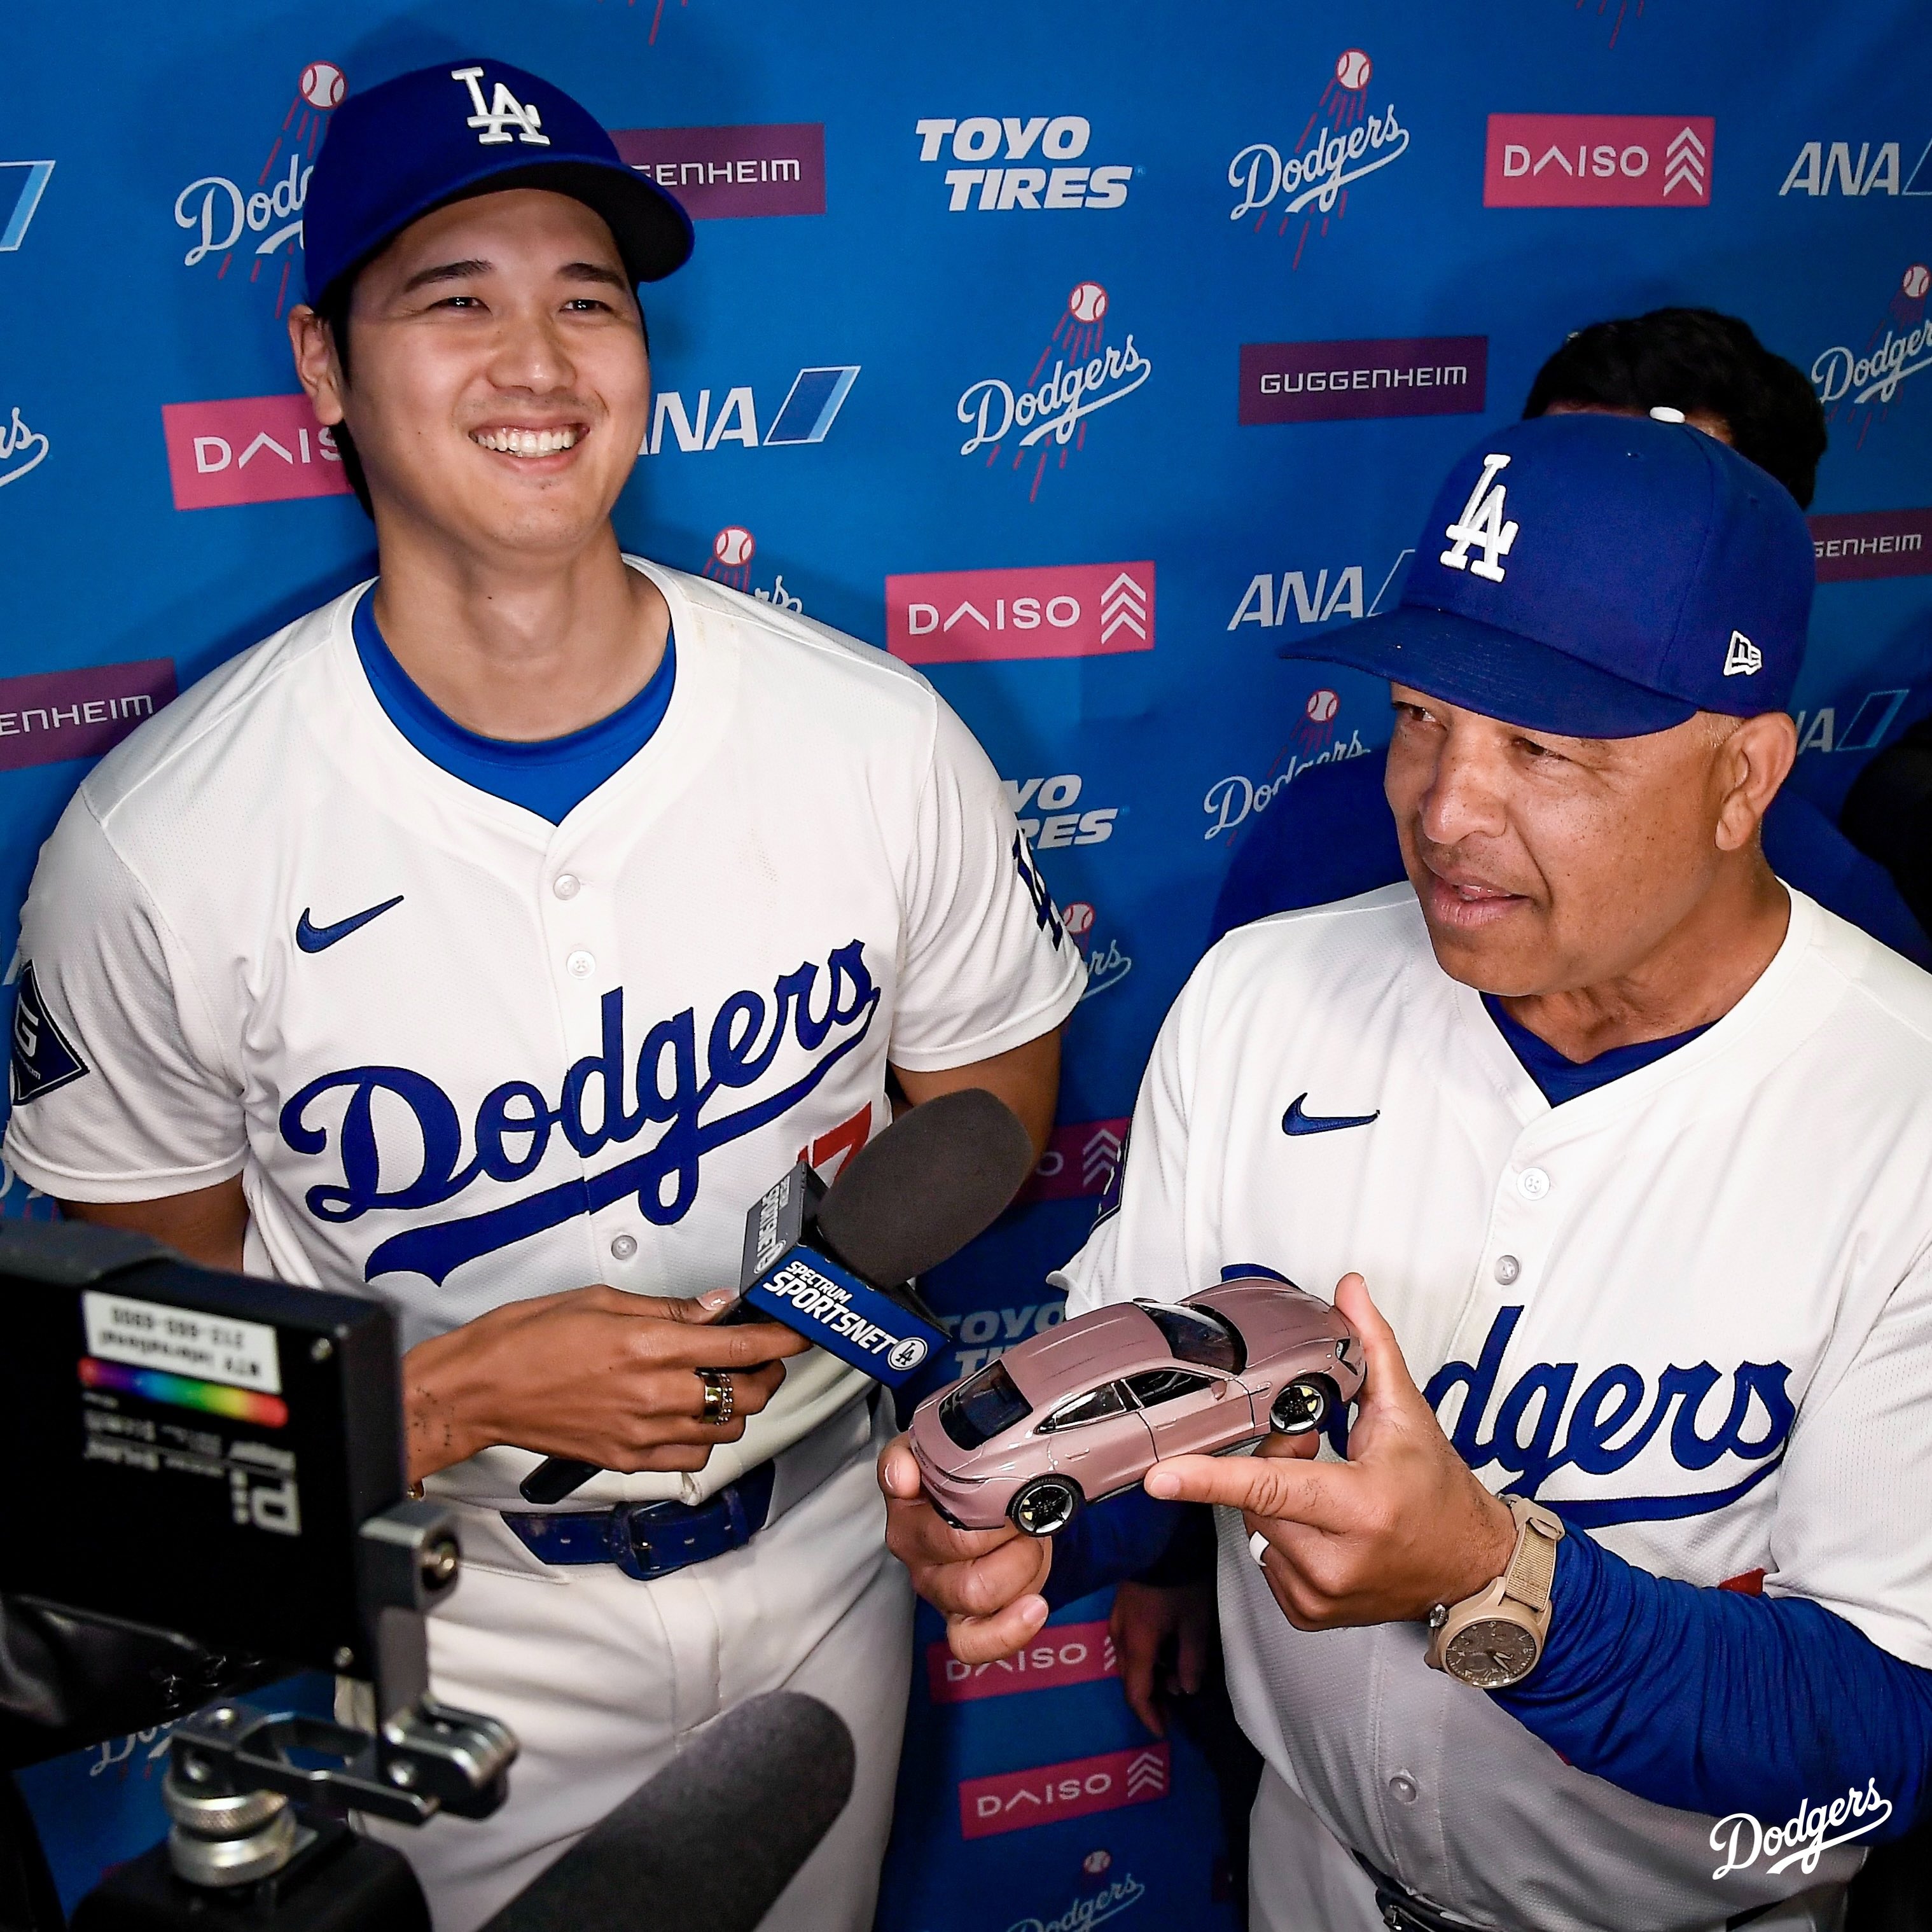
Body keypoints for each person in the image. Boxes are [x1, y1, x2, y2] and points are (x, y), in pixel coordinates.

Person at [3, 59, 1082, 1932]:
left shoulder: (871, 736)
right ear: (324, 368)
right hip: (445, 1608)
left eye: (587, 299)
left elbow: (992, 1100)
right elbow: (164, 1371)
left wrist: (819, 1285)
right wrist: (456, 1393)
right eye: (455, 299)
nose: (538, 357)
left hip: (826, 1544)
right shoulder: (162, 843)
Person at [883, 412, 1932, 1931]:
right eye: (1421, 717)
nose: (1441, 806)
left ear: (1738, 775)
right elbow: (1135, 1431)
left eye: (1539, 747)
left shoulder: (1897, 1102)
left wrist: (1492, 1576)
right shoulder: (1261, 993)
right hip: (1310, 1882)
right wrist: (1016, 1516)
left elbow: (1887, 1732)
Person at [1211, 306, 1931, 966]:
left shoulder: (1854, 940)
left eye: (1647, 527)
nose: (1448, 814)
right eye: (1551, 498)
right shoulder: (1315, 840)